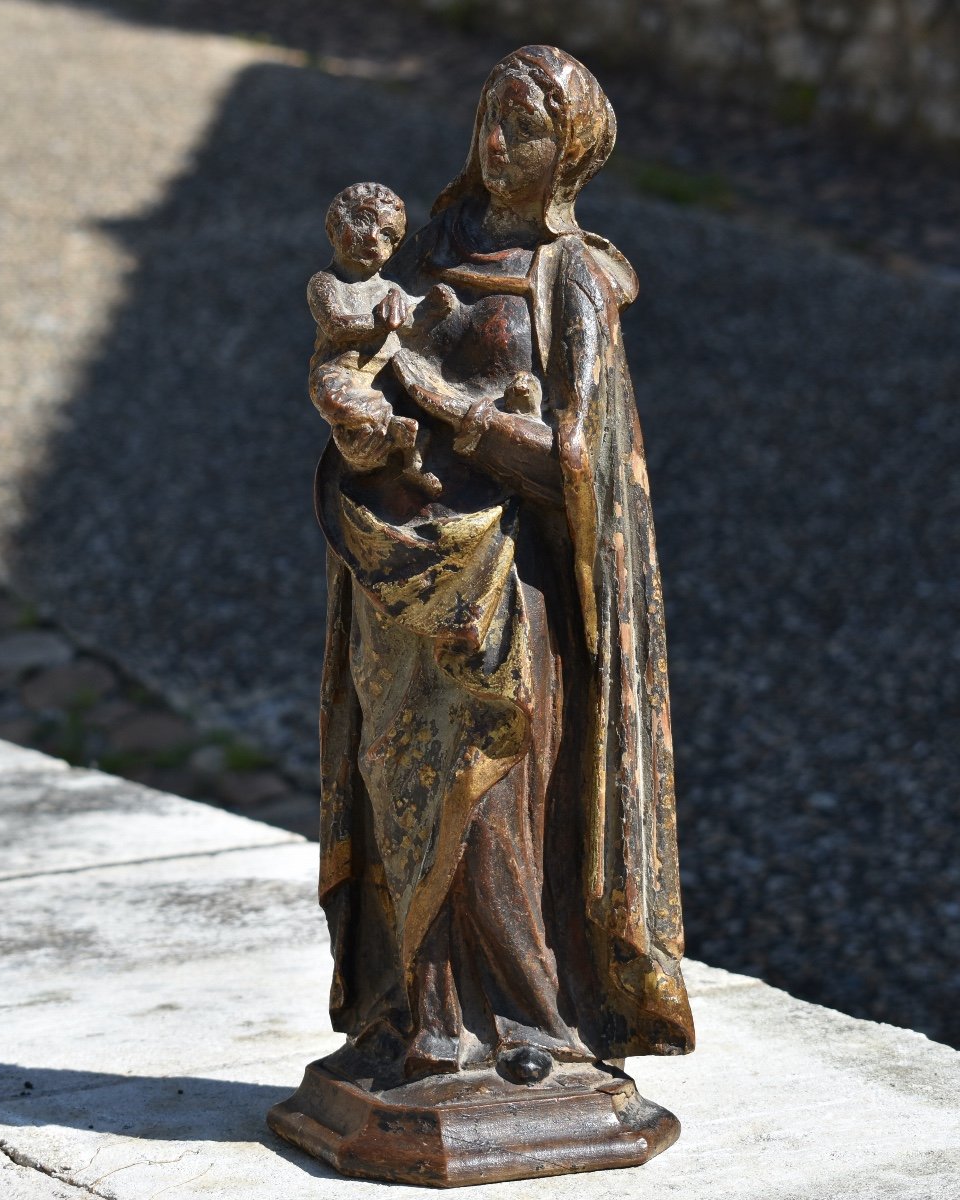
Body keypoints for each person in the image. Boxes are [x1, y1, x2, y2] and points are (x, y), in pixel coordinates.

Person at [313, 45, 694, 1090]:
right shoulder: (432, 242)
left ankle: (530, 1019)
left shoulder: (570, 277)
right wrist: (349, 414)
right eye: (490, 115)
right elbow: (355, 358)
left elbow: (576, 460)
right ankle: (416, 1023)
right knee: (399, 787)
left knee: (488, 798)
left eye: (524, 126)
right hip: (403, 570)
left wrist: (446, 406)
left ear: (567, 152)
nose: (496, 141)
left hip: (507, 586)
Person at [307, 182, 440, 496]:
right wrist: (379, 321)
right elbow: (336, 325)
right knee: (334, 400)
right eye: (364, 221)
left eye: (387, 235)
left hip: (388, 374)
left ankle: (413, 459)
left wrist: (433, 309)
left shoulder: (390, 290)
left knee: (424, 402)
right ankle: (393, 438)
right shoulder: (326, 283)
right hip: (342, 372)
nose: (372, 237)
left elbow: (412, 320)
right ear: (336, 225)